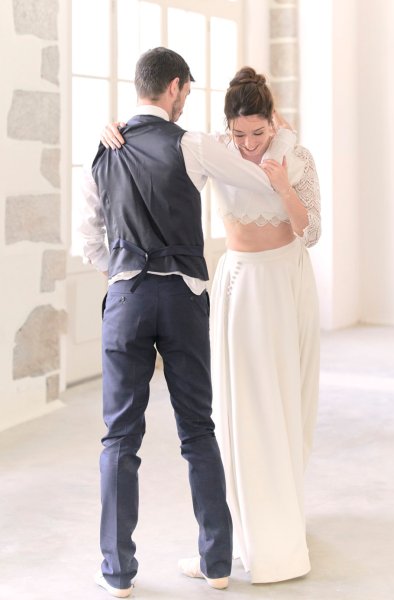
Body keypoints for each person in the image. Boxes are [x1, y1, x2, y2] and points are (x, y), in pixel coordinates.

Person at [78, 49, 286, 598]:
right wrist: (275, 136)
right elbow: (257, 178)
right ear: (173, 88)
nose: (186, 99)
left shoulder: (103, 149)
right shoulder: (190, 144)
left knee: (119, 438)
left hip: (126, 299)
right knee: (198, 430)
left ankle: (116, 573)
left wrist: (122, 273)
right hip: (183, 297)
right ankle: (217, 563)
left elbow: (89, 240)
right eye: (187, 91)